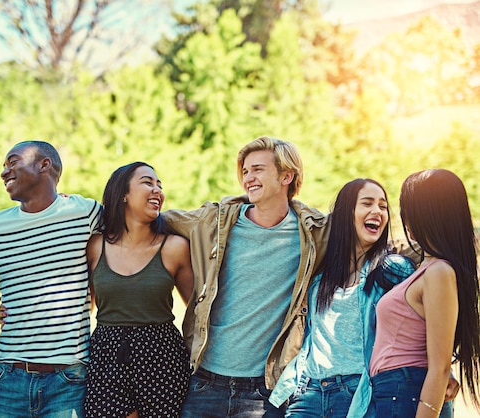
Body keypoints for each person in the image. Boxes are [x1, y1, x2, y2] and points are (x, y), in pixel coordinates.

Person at [162, 136, 329, 418]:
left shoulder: (315, 233)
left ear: (287, 175)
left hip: (264, 393)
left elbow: (370, 239)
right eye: (245, 171)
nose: (248, 177)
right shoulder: (214, 222)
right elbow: (151, 218)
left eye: (258, 169)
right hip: (204, 382)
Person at [269, 178, 455, 418]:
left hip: (360, 393)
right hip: (309, 394)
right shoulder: (318, 276)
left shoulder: (394, 271)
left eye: (383, 206)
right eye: (367, 203)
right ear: (346, 213)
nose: (377, 211)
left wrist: (444, 375)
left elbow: (424, 328)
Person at [0, 140, 101, 418]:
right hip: (10, 377)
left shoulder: (84, 213)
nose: (4, 172)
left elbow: (136, 237)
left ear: (45, 164)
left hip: (68, 378)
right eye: (4, 166)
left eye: (13, 162)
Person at [84, 162, 194, 418]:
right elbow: (78, 306)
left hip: (163, 358)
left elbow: (199, 310)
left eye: (160, 185)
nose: (157, 190)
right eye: (148, 182)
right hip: (106, 359)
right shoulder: (95, 246)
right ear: (123, 193)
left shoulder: (175, 247)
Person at [369, 169, 480, 417]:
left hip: (406, 392)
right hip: (394, 391)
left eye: (407, 209)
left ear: (425, 214)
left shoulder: (439, 272)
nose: (404, 219)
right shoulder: (426, 268)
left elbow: (439, 367)